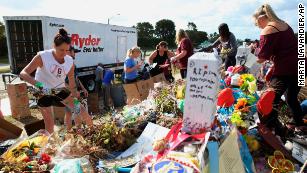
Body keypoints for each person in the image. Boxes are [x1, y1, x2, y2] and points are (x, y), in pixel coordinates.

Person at [20, 28, 92, 133]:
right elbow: (23, 73)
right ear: (54, 46)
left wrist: (74, 93)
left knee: (81, 109)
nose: (64, 53)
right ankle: (50, 146)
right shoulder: (43, 57)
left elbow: (71, 79)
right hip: (42, 91)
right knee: (49, 122)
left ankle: (94, 132)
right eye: (61, 50)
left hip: (59, 88)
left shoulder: (69, 61)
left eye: (67, 50)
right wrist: (39, 85)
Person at [253, 4, 305, 134]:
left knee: (269, 100)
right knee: (291, 98)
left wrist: (245, 65)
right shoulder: (285, 24)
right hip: (301, 66)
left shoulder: (268, 30)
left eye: (256, 22)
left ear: (261, 18)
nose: (257, 25)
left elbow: (261, 57)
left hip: (287, 69)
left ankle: (275, 129)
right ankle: (300, 125)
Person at [64, 46, 91, 130]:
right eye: (73, 52)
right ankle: (77, 130)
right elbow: (62, 82)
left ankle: (71, 131)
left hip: (71, 91)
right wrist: (73, 92)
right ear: (68, 52)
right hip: (67, 92)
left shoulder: (73, 64)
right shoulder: (64, 64)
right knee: (76, 111)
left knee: (70, 112)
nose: (75, 54)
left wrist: (83, 88)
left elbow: (76, 78)